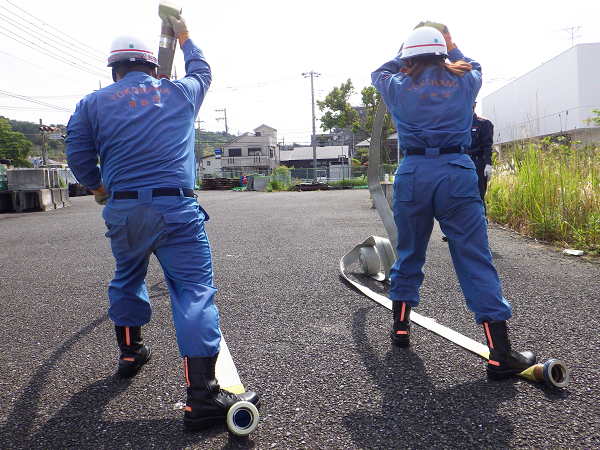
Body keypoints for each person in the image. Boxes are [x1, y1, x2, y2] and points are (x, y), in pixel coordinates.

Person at [65, 15, 260, 431]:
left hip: (124, 209)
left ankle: (131, 353)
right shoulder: (180, 93)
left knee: (128, 275)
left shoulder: (92, 104)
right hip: (176, 209)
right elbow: (203, 70)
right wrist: (185, 35)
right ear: (154, 68)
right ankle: (202, 396)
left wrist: (99, 186)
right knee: (192, 292)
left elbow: (78, 157)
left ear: (115, 70)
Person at [371, 23, 536, 379]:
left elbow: (378, 71)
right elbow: (474, 65)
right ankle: (500, 354)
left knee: (410, 251)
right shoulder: (465, 79)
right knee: (474, 258)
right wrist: (452, 46)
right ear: (443, 50)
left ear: (408, 55)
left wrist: (404, 53)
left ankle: (401, 329)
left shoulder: (397, 85)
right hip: (456, 171)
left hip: (414, 171)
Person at [468, 102, 494, 210]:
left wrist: (488, 164)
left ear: (474, 105)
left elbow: (487, 145)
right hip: (460, 162)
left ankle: (481, 223)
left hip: (477, 162)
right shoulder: (458, 124)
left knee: (478, 195)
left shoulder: (483, 123)